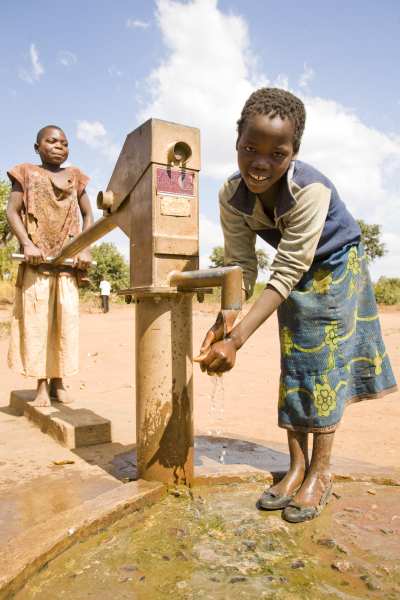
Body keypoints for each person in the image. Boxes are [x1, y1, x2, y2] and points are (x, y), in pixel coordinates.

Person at [195, 88, 397, 523]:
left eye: (277, 152)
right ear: (235, 144)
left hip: (336, 264)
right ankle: (296, 467)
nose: (260, 163)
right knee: (295, 362)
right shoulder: (232, 195)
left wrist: (239, 341)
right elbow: (241, 266)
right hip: (295, 269)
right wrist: (223, 322)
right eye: (250, 149)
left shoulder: (310, 189)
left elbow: (286, 267)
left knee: (321, 365)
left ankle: (321, 473)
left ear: (294, 153)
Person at [7, 125, 93, 407]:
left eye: (65, 143)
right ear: (37, 147)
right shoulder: (26, 173)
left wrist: (84, 247)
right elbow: (12, 211)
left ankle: (59, 381)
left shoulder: (76, 177)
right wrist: (27, 244)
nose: (59, 146)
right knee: (38, 323)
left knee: (65, 324)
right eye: (52, 141)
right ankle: (41, 384)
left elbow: (88, 214)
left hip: (67, 264)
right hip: (37, 264)